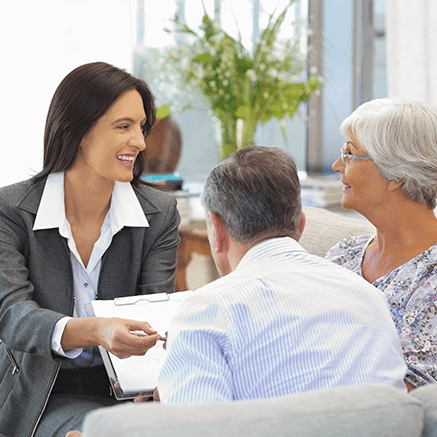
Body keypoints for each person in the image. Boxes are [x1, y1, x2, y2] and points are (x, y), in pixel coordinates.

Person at [0, 61, 180, 437]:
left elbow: (158, 312)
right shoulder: (11, 210)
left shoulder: (159, 214)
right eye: (123, 126)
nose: (141, 142)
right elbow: (13, 317)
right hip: (40, 392)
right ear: (79, 130)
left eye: (142, 127)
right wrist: (95, 330)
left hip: (130, 394)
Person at [155, 145, 407, 404]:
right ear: (301, 224)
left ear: (218, 230)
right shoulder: (370, 297)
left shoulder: (206, 311)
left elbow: (193, 427)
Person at [325, 98, 437, 393]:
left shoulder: (432, 274)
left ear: (396, 173)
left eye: (349, 154)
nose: (337, 166)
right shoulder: (342, 255)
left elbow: (416, 396)